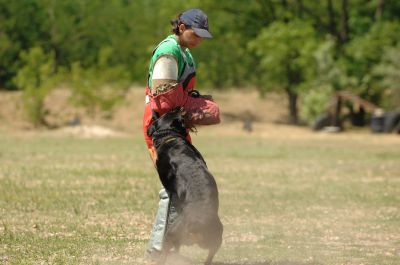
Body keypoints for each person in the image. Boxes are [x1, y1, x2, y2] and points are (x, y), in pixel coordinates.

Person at [141, 8, 220, 263]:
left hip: (174, 127)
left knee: (184, 184)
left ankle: (169, 248)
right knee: (172, 189)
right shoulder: (169, 52)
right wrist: (191, 106)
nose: (199, 40)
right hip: (160, 126)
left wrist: (192, 105)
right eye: (195, 34)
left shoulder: (184, 52)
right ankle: (158, 252)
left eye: (202, 36)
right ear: (182, 27)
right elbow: (163, 101)